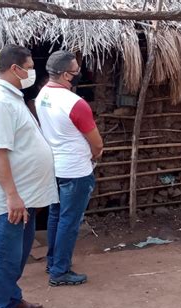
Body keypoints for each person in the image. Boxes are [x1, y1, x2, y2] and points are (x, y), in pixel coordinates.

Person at [0, 44, 59, 308]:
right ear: (15, 69)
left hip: (24, 194)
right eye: (30, 66)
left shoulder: (10, 98)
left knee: (18, 253)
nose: (32, 72)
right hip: (9, 198)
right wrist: (12, 195)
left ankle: (10, 299)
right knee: (4, 255)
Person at [36, 51, 103, 286]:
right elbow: (96, 142)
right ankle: (60, 272)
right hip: (75, 170)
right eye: (76, 71)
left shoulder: (42, 95)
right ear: (66, 74)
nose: (78, 74)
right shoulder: (75, 103)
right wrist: (95, 155)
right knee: (70, 221)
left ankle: (54, 262)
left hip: (54, 166)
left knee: (56, 215)